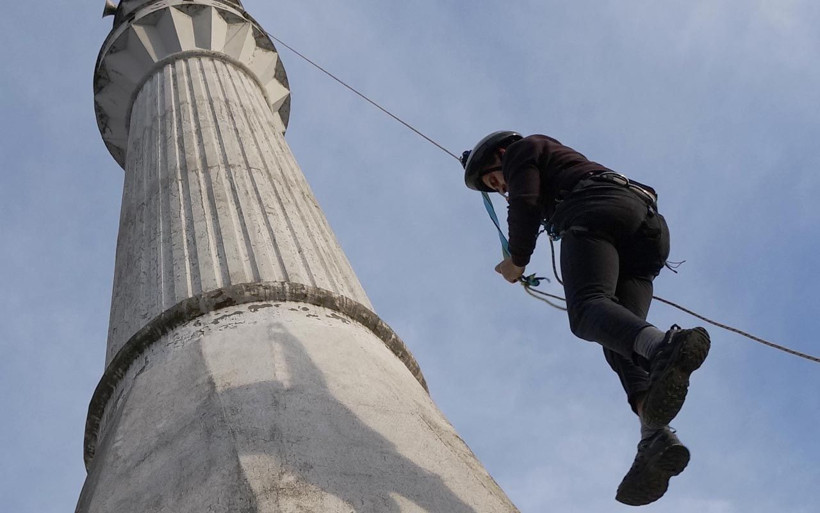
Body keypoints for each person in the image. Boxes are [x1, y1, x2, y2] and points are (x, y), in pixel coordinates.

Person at [461, 131, 711, 506]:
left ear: (500, 154)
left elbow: (525, 203)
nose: (501, 188)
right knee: (619, 333)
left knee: (586, 310)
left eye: (496, 179)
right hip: (647, 229)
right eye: (494, 187)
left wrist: (517, 261)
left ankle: (665, 345)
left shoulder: (522, 150)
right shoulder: (555, 161)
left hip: (596, 208)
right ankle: (654, 435)